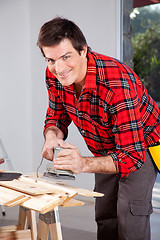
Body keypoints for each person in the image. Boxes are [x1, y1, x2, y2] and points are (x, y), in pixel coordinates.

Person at [37, 17, 160, 240]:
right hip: (104, 147)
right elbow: (57, 115)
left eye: (66, 57)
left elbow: (132, 156)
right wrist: (51, 136)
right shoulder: (54, 74)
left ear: (83, 50)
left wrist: (82, 163)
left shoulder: (117, 82)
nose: (59, 68)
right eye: (51, 60)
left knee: (129, 220)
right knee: (106, 216)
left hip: (141, 147)